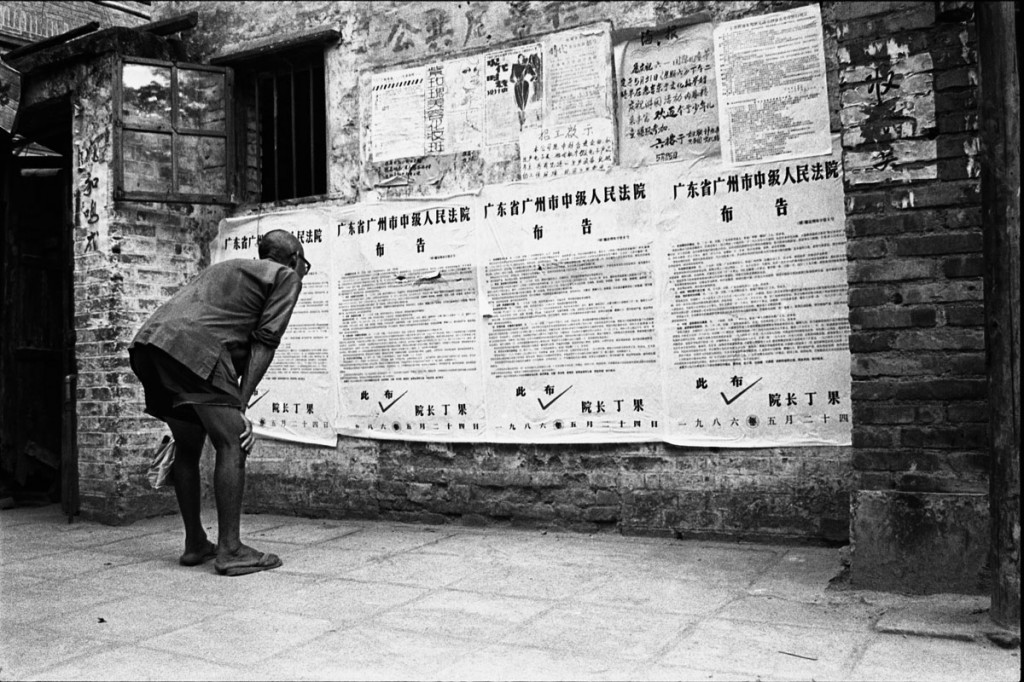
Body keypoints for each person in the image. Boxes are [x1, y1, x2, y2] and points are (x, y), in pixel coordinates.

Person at [128, 229, 310, 576]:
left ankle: (195, 543)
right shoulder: (285, 276)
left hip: (150, 347)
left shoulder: (232, 270)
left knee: (188, 444)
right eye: (305, 264)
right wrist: (240, 408)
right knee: (233, 441)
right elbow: (265, 342)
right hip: (194, 351)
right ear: (293, 259)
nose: (303, 271)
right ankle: (230, 549)